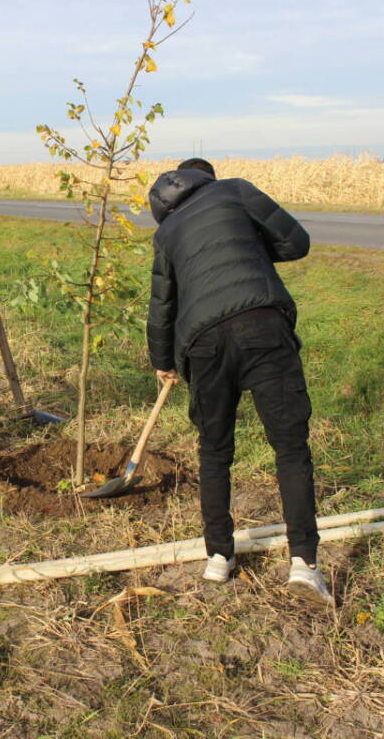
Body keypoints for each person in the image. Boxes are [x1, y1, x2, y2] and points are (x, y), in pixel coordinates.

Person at [146, 158, 333, 607]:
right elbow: (296, 241)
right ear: (206, 177)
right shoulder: (234, 190)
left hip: (203, 342)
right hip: (262, 323)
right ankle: (304, 566)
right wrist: (249, 250)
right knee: (290, 446)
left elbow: (162, 305)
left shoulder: (167, 233)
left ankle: (218, 558)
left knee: (214, 450)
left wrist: (163, 361)